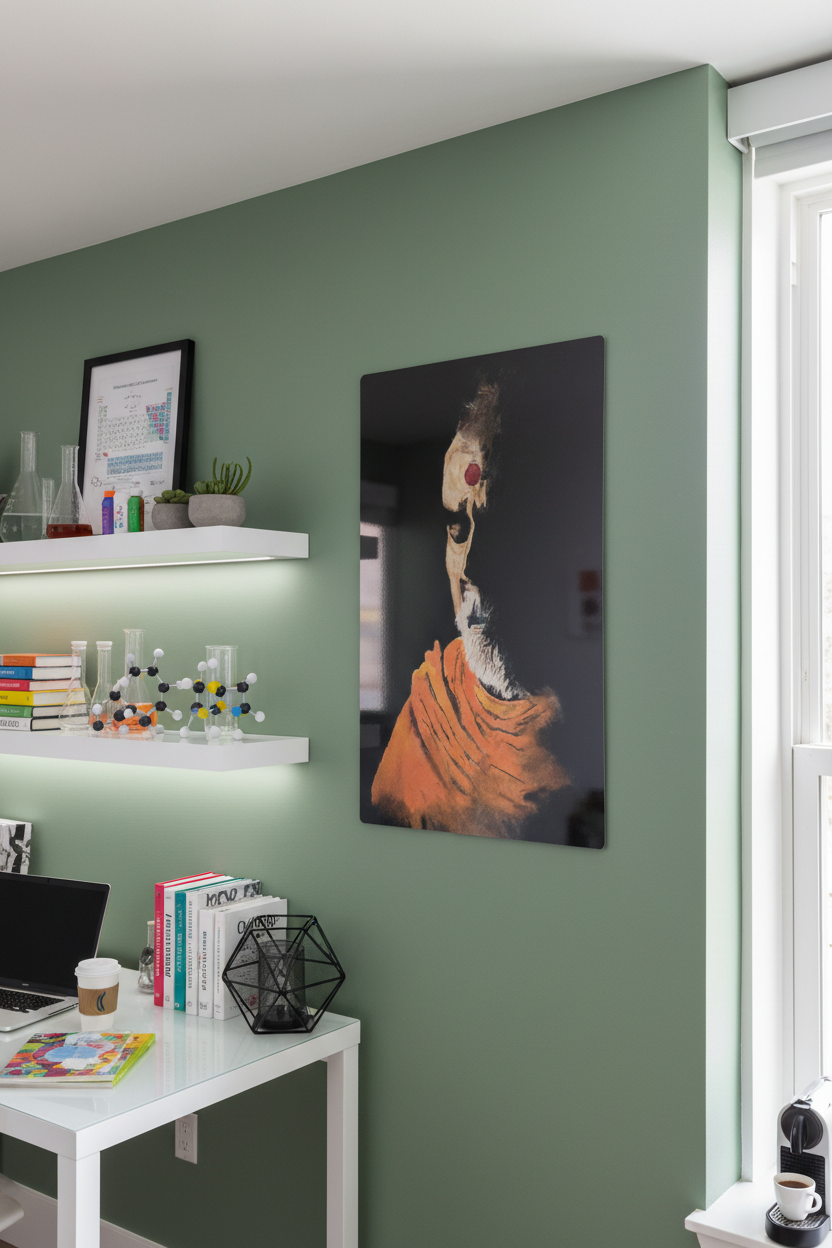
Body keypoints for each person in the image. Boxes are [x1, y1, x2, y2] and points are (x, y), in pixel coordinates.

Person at [371, 381, 569, 838]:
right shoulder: (428, 708)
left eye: (498, 526)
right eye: (458, 525)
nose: (472, 566)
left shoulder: (581, 729)